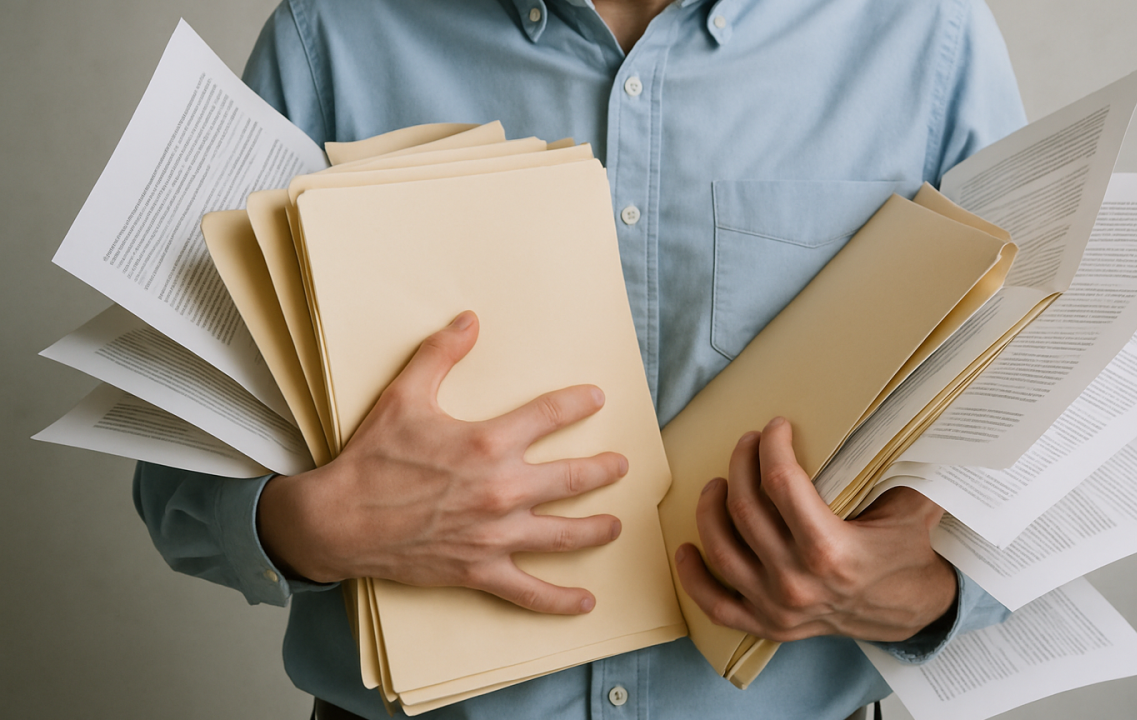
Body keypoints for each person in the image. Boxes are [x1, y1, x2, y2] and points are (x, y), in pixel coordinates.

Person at [134, 0, 1027, 717]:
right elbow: (173, 484)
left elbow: (1035, 464)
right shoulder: (331, 32)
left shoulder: (929, 35)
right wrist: (317, 525)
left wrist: (915, 595)